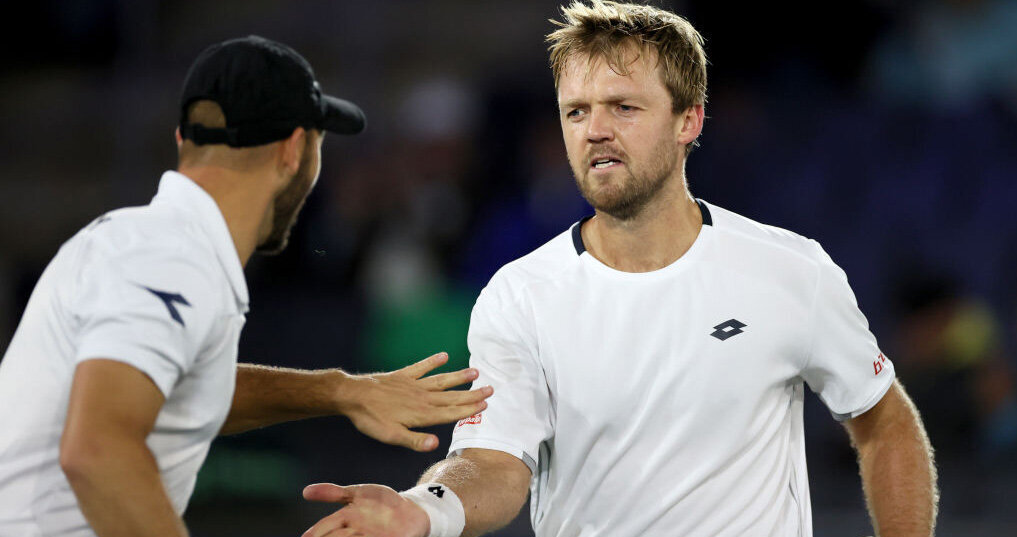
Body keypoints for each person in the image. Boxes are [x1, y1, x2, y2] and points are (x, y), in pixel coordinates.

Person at [301, 2, 939, 537]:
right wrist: (422, 509)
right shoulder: (520, 296)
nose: (595, 130)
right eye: (576, 111)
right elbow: (493, 461)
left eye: (623, 108)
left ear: (689, 120)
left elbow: (884, 425)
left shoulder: (790, 269)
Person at [0, 35, 493, 537]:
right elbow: (97, 449)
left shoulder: (154, 242)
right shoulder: (167, 253)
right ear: (295, 149)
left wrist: (338, 391)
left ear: (182, 139)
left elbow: (173, 389)